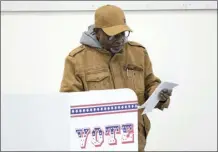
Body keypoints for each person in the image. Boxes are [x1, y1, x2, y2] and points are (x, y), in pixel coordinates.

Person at [60, 4, 172, 151]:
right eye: (112, 35)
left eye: (122, 34)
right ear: (97, 32)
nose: (119, 40)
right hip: (98, 142)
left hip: (134, 139)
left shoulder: (138, 53)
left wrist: (158, 95)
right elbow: (68, 103)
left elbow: (150, 83)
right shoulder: (77, 60)